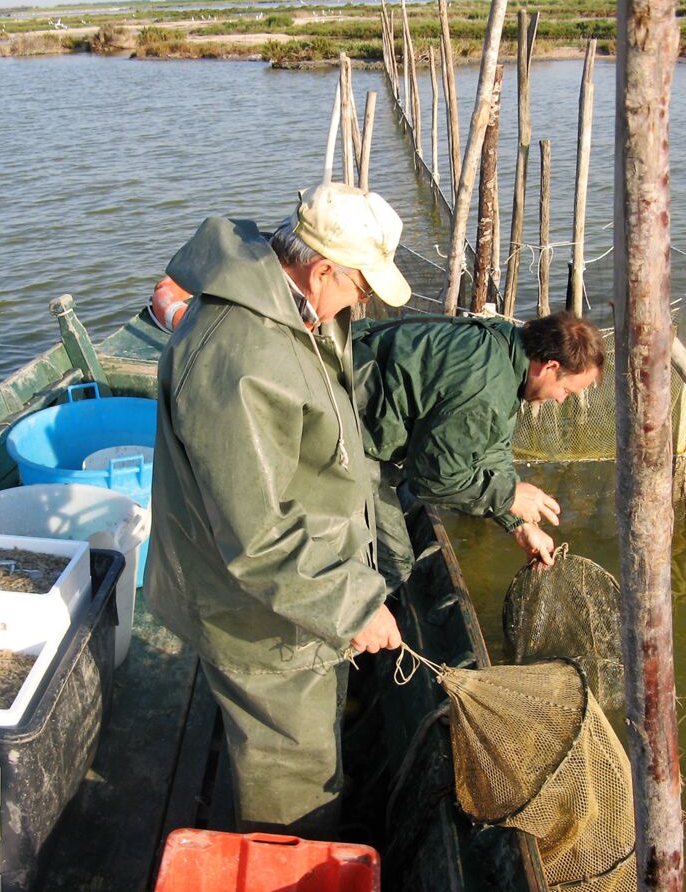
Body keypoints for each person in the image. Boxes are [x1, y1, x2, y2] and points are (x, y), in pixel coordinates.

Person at [143, 182, 411, 840]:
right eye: (362, 289)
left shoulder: (295, 306)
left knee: (310, 745)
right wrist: (352, 604)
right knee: (290, 775)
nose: (363, 304)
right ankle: (281, 865)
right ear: (321, 270)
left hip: (300, 593)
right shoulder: (241, 360)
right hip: (257, 616)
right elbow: (258, 537)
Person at [352, 310, 604, 586]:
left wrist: (520, 526)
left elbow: (492, 450)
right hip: (349, 424)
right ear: (550, 367)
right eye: (566, 391)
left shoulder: (506, 349)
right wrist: (508, 496)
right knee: (396, 564)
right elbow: (431, 480)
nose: (559, 401)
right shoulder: (485, 390)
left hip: (362, 385)